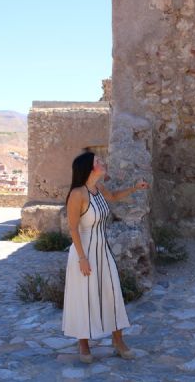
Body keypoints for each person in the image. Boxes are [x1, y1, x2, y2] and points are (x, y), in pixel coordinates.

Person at [62, 150, 149, 363]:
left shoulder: (98, 187)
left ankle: (118, 341)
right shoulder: (77, 194)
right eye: (98, 161)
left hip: (103, 250)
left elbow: (114, 197)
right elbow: (73, 228)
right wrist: (82, 258)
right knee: (83, 296)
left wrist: (135, 188)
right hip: (84, 252)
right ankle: (83, 344)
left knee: (112, 292)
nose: (103, 163)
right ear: (89, 168)